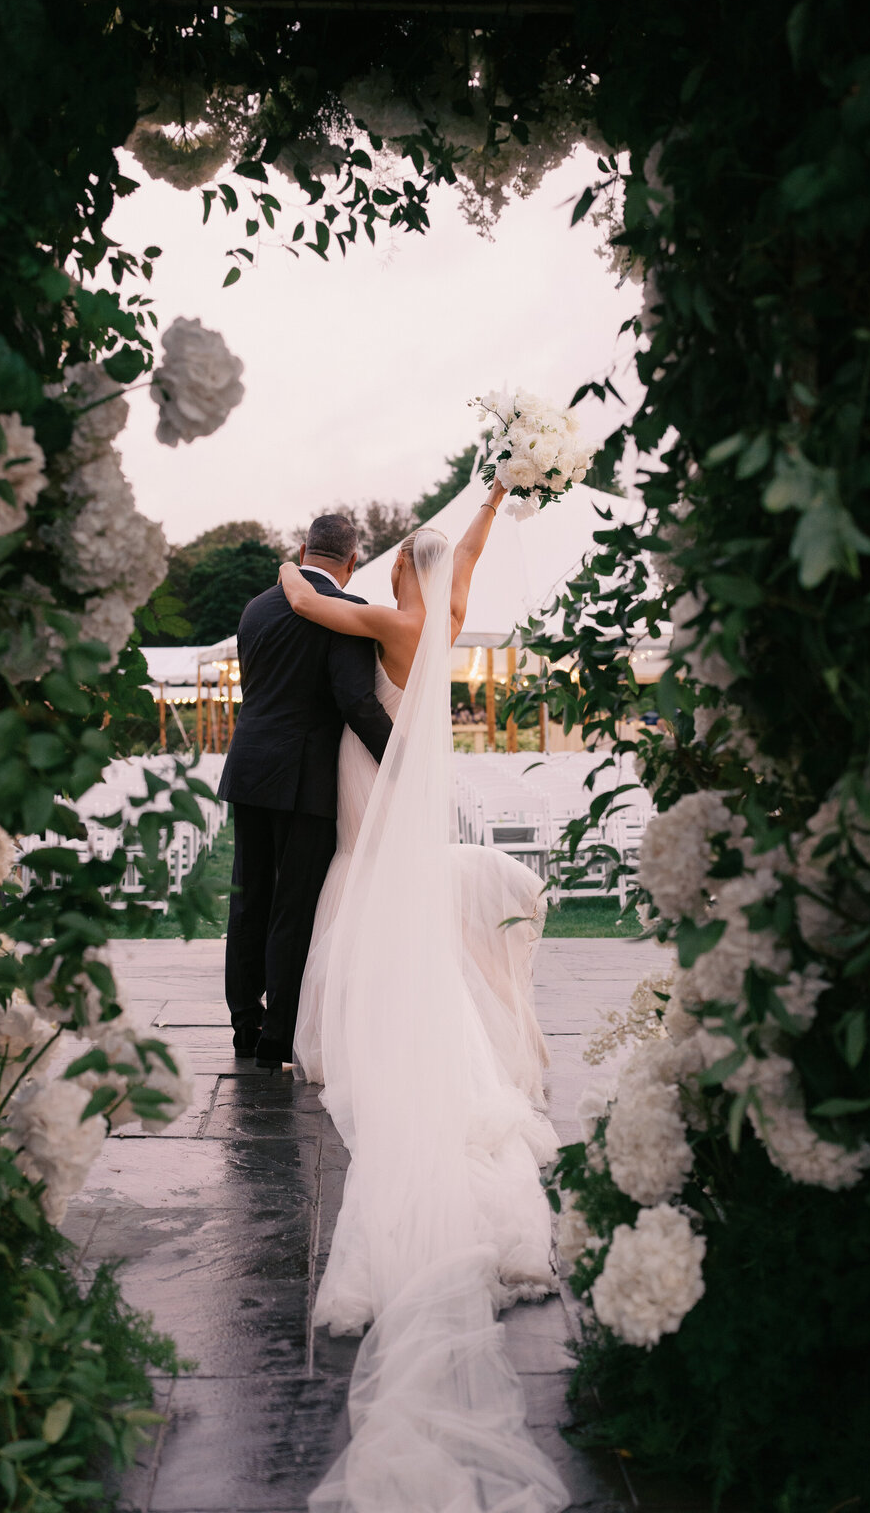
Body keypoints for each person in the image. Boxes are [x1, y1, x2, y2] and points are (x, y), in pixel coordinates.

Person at [277, 479, 567, 1513]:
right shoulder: (446, 613)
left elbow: (315, 606)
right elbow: (470, 553)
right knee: (424, 962)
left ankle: (393, 1042)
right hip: (424, 798)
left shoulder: (401, 616)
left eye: (406, 552)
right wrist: (494, 494)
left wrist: (288, 563)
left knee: (378, 939)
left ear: (407, 570)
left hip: (393, 818)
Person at [217, 513, 394, 1070]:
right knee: (293, 907)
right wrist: (400, 759)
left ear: (302, 548)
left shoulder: (257, 606)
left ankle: (244, 1023)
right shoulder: (345, 612)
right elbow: (355, 701)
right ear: (353, 559)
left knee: (248, 899)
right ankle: (278, 1034)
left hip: (249, 766)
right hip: (303, 777)